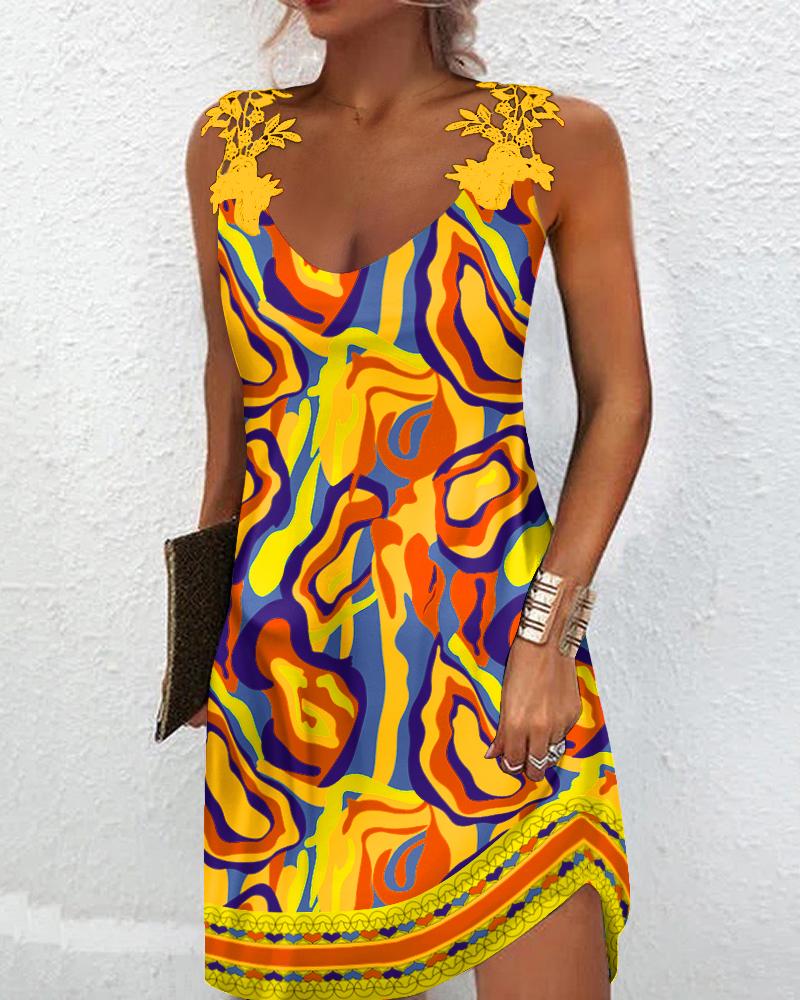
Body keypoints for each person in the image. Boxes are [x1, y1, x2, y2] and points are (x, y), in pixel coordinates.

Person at [182, 1, 651, 997]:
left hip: (494, 661)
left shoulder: (555, 143)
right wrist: (199, 643)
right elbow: (230, 392)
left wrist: (547, 639)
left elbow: (620, 401)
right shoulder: (228, 146)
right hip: (288, 673)